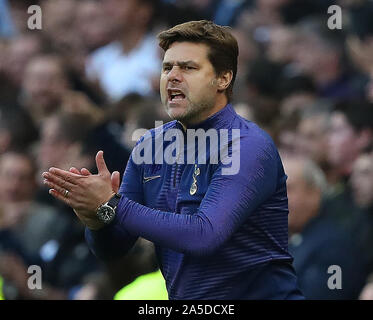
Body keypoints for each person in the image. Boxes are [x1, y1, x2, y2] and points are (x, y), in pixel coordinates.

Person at [43, 20, 303, 299]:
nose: (172, 77)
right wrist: (95, 217)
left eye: (188, 67)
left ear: (223, 78)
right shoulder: (151, 146)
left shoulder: (247, 145)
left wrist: (112, 204)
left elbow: (205, 235)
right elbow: (115, 247)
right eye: (167, 68)